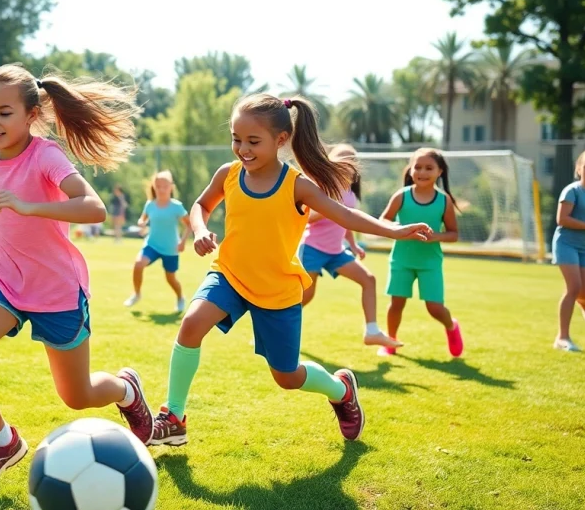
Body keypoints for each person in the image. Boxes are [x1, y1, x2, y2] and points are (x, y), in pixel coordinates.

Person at [147, 95, 432, 448]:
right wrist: (201, 229)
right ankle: (174, 417)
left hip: (277, 290)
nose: (242, 149)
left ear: (281, 140)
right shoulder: (229, 174)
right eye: (236, 139)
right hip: (230, 274)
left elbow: (344, 215)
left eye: (253, 141)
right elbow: (201, 205)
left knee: (286, 375)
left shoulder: (296, 185)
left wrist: (393, 230)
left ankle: (341, 390)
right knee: (191, 324)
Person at [0, 64, 153, 498]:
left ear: (31, 114)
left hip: (57, 290)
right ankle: (1, 444)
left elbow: (93, 208)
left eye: (4, 112)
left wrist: (28, 206)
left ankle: (126, 390)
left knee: (77, 394)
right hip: (3, 280)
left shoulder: (47, 157)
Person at [298, 144, 400, 349]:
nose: (346, 164)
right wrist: (330, 209)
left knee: (368, 280)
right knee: (305, 297)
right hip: (313, 248)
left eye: (351, 161)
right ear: (330, 163)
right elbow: (306, 218)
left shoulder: (350, 194)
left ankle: (372, 331)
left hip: (336, 251)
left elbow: (347, 222)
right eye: (341, 160)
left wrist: (352, 245)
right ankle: (269, 329)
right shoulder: (321, 187)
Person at [378, 148, 463, 358]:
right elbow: (383, 221)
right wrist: (400, 229)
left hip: (430, 263)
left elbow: (453, 234)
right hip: (401, 260)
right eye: (417, 167)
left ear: (439, 172)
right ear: (410, 169)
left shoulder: (444, 201)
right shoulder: (402, 196)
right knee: (396, 304)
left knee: (434, 308)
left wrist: (436, 236)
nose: (422, 172)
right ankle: (391, 342)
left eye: (429, 168)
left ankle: (451, 327)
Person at [124, 170, 190, 313]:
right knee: (138, 264)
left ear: (171, 187)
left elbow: (189, 224)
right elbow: (143, 218)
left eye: (164, 186)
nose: (161, 189)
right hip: (152, 245)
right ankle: (136, 294)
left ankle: (180, 298)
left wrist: (183, 242)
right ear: (154, 187)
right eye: (158, 186)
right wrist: (141, 223)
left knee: (171, 279)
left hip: (170, 248)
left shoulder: (176, 206)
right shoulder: (150, 204)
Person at [551, 147, 585, 351]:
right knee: (574, 288)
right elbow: (562, 219)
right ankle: (562, 338)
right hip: (566, 244)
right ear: (579, 169)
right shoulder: (572, 191)